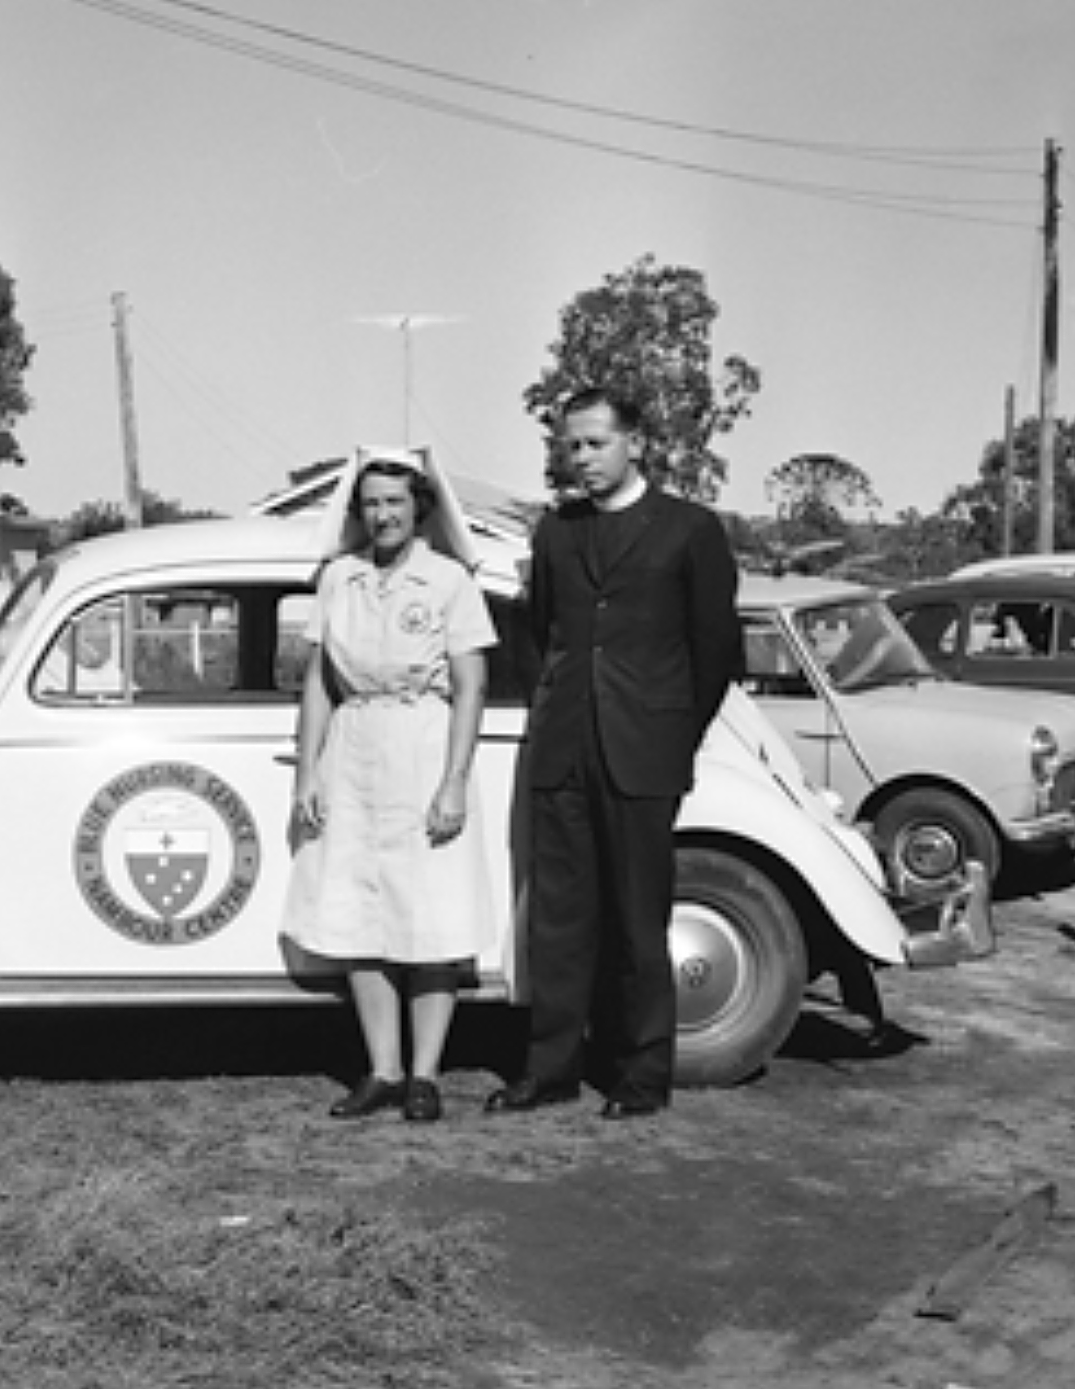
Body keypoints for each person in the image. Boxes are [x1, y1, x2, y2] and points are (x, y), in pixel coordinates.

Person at [490, 388, 741, 1120]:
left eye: (595, 444)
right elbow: (536, 636)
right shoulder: (557, 532)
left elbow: (714, 650)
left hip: (644, 754)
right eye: (571, 446)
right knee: (559, 919)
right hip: (563, 749)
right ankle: (552, 1069)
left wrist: (671, 734)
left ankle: (640, 1076)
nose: (581, 459)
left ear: (635, 442)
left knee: (637, 919)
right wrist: (557, 706)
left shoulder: (690, 530)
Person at [283, 449, 498, 1124]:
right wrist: (307, 770)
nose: (383, 514)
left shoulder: (448, 581)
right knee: (361, 913)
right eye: (371, 503)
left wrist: (454, 782)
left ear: (419, 508)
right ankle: (381, 1070)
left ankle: (426, 1076)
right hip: (354, 746)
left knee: (426, 914)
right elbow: (319, 681)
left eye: (395, 502)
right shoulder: (339, 578)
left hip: (423, 742)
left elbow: (471, 687)